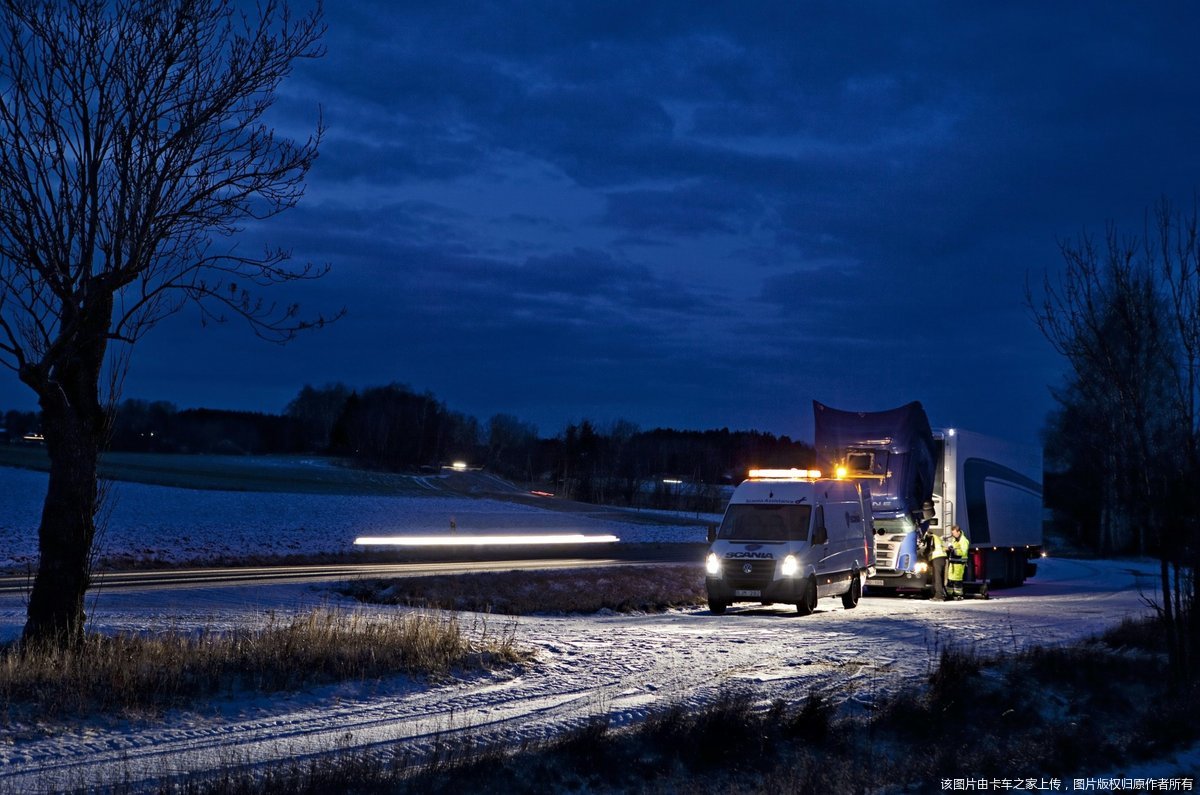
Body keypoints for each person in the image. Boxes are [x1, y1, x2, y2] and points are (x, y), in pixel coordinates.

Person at [923, 528, 947, 601]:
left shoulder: (930, 537)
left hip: (937, 558)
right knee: (940, 577)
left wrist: (924, 555)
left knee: (937, 578)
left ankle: (938, 596)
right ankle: (942, 594)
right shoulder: (937, 537)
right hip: (942, 558)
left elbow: (929, 548)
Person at [946, 524, 969, 599]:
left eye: (954, 533)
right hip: (953, 563)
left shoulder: (964, 541)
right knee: (950, 579)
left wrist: (954, 550)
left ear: (958, 532)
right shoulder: (955, 540)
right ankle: (949, 594)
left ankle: (958, 594)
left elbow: (963, 552)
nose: (953, 535)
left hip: (959, 564)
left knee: (957, 580)